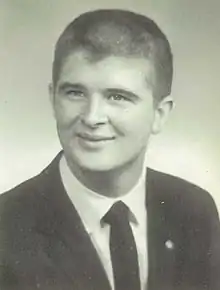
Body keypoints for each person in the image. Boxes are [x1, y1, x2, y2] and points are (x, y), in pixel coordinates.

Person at [0, 9, 219, 290]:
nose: (92, 117)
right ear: (53, 99)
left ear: (159, 114)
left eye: (117, 97)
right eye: (75, 93)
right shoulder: (7, 228)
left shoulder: (193, 211)